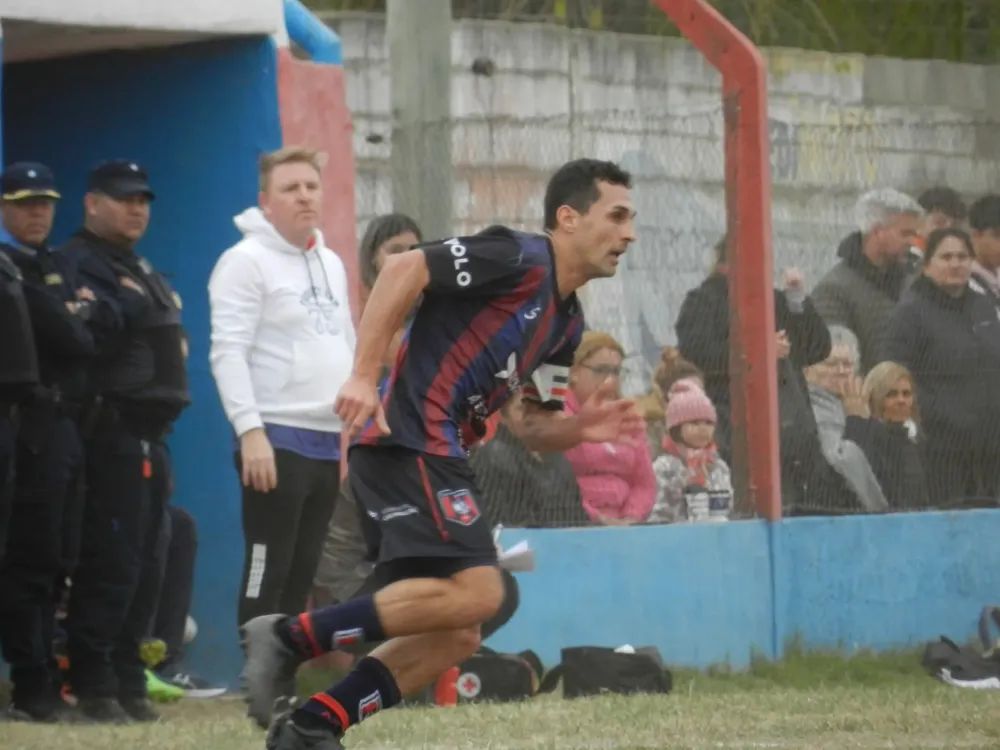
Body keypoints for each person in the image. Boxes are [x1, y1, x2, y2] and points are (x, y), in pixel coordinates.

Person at [241, 158, 642, 750]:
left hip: (437, 450)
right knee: (485, 592)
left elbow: (532, 425)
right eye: (618, 216)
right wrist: (362, 375)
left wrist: (581, 433)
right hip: (410, 434)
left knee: (458, 631)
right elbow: (404, 268)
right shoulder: (518, 257)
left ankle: (313, 725)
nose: (630, 233)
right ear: (568, 217)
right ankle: (289, 636)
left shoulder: (568, 325)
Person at [59, 160, 190, 723]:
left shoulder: (138, 266)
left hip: (151, 438)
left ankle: (130, 677)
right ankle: (94, 682)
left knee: (147, 567)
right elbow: (89, 339)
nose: (137, 208)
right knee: (111, 564)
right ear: (92, 203)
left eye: (143, 199)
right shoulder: (78, 265)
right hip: (110, 435)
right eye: (123, 198)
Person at [209, 147, 355, 629]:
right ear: (265, 201)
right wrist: (250, 431)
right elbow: (227, 351)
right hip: (274, 435)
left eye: (311, 186)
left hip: (324, 438)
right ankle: (259, 680)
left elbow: (344, 338)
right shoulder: (244, 262)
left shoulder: (330, 261)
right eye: (291, 188)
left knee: (302, 571)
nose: (304, 197)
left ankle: (283, 678)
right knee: (266, 565)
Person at [0, 162, 98, 723]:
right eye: (24, 202)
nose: (38, 212)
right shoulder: (12, 266)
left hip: (63, 428)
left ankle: (42, 679)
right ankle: (31, 683)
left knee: (55, 558)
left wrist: (75, 319)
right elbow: (70, 332)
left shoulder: (50, 263)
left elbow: (89, 331)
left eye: (45, 202)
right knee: (29, 561)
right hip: (29, 425)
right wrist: (72, 317)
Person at [810, 188, 923, 374]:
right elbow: (835, 368)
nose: (912, 242)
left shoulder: (914, 281)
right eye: (905, 234)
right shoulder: (833, 291)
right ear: (877, 231)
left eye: (914, 235)